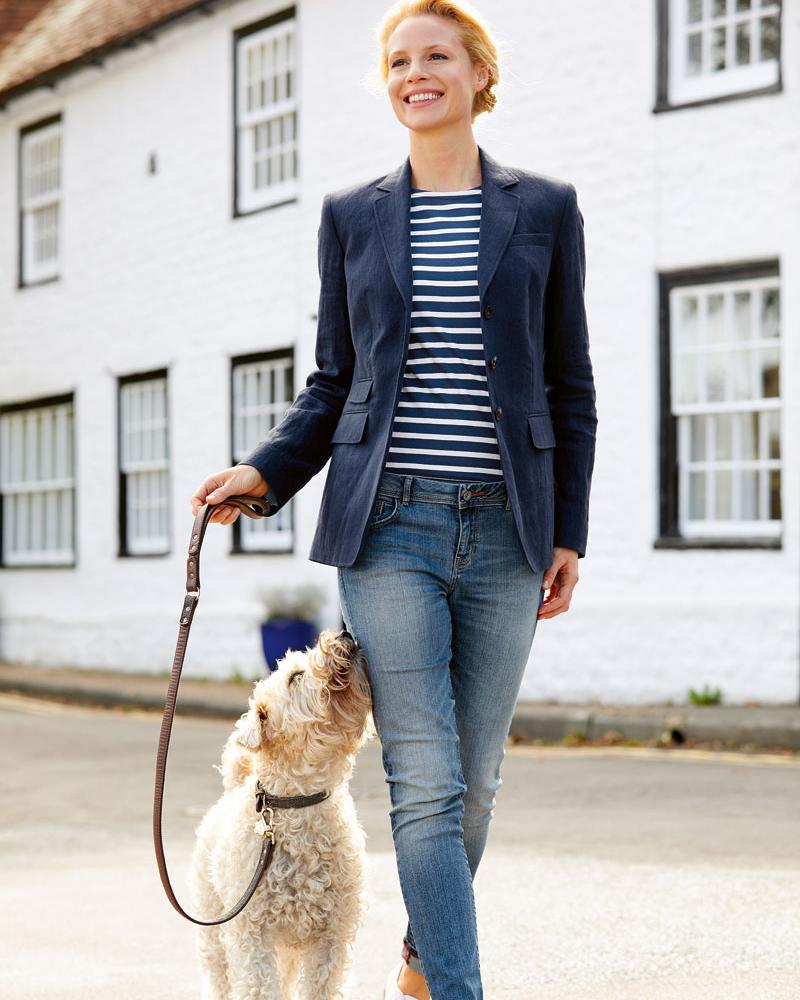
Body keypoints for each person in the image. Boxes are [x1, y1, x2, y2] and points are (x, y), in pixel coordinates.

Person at [191, 2, 597, 997]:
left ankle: (420, 961)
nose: (416, 73)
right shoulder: (352, 215)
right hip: (387, 528)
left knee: (474, 785)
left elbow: (569, 383)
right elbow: (334, 381)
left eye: (436, 56)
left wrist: (568, 531)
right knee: (423, 779)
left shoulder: (545, 208)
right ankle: (459, 989)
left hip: (507, 527)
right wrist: (266, 471)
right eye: (399, 60)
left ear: (477, 73)